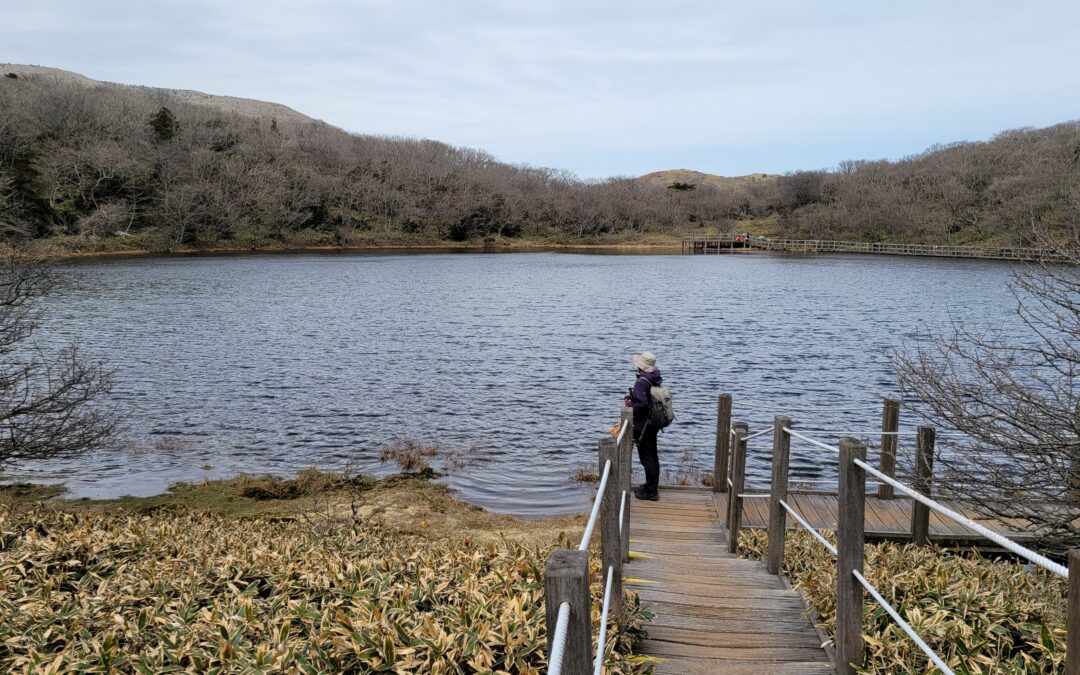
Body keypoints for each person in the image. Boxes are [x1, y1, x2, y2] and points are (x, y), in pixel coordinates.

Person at [625, 351, 662, 501]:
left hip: (643, 426)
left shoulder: (641, 382)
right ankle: (651, 486)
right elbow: (647, 399)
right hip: (653, 423)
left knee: (646, 458)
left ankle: (651, 491)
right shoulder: (654, 379)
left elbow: (642, 405)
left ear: (641, 367)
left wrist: (631, 405)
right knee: (652, 455)